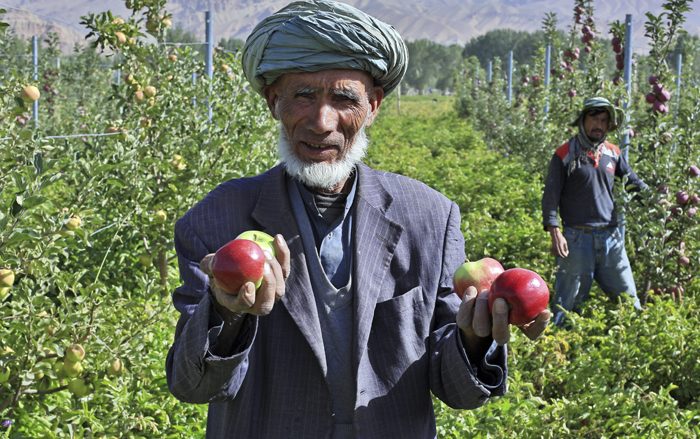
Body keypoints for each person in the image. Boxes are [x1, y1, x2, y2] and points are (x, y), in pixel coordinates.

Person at [166, 1, 549, 437]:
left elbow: (457, 390)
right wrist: (227, 313)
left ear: (373, 105)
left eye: (344, 98)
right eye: (303, 95)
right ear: (274, 102)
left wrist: (477, 338)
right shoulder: (217, 219)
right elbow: (192, 384)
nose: (321, 122)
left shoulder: (429, 217)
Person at [542, 97, 648, 327]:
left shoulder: (613, 153)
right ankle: (559, 348)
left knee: (628, 299)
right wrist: (555, 231)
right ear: (582, 121)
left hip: (611, 238)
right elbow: (550, 196)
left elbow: (633, 183)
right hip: (576, 239)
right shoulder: (565, 154)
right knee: (566, 304)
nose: (598, 125)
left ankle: (632, 341)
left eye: (603, 121)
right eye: (594, 119)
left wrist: (656, 199)